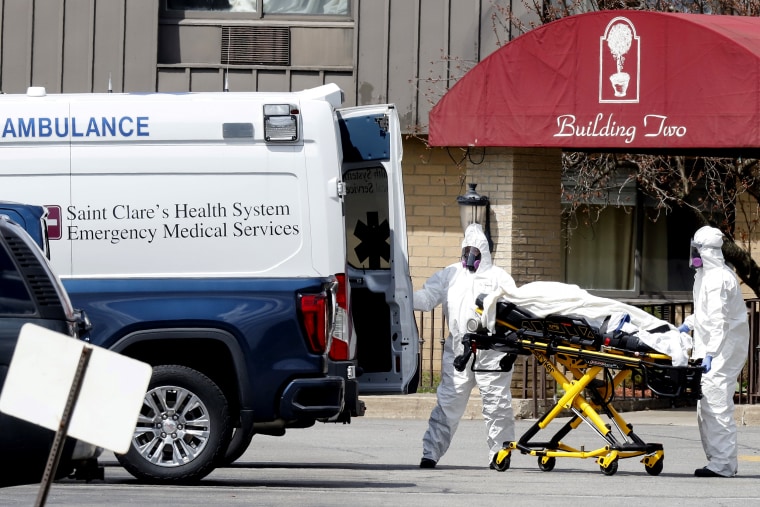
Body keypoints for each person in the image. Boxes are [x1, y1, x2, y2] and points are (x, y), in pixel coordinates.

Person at [414, 223, 518, 469]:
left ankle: (500, 453)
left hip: (491, 349)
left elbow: (515, 310)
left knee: (496, 404)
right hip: (460, 348)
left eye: (475, 251)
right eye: (466, 251)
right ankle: (430, 453)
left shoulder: (499, 278)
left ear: (484, 252)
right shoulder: (451, 275)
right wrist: (400, 295)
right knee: (448, 403)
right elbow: (427, 298)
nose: (470, 256)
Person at [679, 225, 749, 478]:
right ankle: (716, 462)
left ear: (706, 250)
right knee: (706, 403)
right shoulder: (704, 276)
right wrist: (687, 325)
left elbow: (720, 321)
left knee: (717, 403)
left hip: (724, 348)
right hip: (714, 347)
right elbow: (706, 314)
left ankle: (724, 465)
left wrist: (710, 353)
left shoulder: (719, 278)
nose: (694, 255)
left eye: (697, 250)